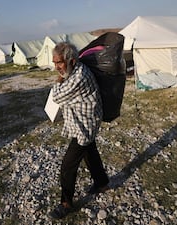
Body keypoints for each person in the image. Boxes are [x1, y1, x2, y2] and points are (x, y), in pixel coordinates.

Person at [48, 42, 109, 219]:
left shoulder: (79, 77)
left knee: (68, 165)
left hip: (85, 125)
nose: (56, 67)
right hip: (83, 121)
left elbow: (57, 96)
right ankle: (102, 183)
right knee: (89, 151)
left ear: (72, 60)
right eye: (54, 63)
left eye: (59, 62)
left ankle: (66, 203)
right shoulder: (74, 71)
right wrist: (62, 76)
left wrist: (59, 81)